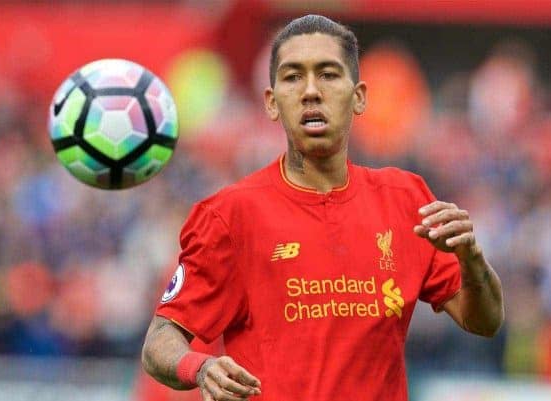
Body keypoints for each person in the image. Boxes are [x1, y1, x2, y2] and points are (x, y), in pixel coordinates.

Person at [141, 14, 504, 401]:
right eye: (293, 76)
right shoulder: (230, 216)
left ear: (359, 96)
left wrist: (472, 258)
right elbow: (160, 341)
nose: (310, 91)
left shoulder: (406, 200)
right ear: (271, 102)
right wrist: (201, 367)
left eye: (328, 74)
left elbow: (484, 321)